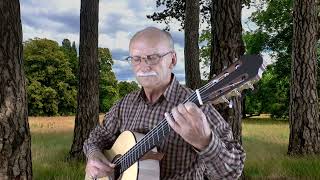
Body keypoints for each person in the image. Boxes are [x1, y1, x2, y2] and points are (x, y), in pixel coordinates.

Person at [83, 27, 245, 180]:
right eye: (136, 59)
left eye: (153, 57)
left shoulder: (197, 108)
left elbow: (233, 171)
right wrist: (93, 155)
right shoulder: (125, 104)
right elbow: (96, 138)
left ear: (172, 60)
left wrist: (205, 142)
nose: (144, 66)